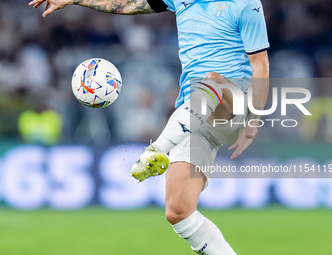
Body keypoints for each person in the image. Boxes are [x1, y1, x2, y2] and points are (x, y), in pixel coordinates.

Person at [29, 0, 270, 254]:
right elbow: (128, 4)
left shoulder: (245, 4)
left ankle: (156, 149)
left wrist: (253, 122)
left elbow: (260, 65)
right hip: (192, 114)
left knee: (211, 82)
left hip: (232, 103)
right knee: (179, 212)